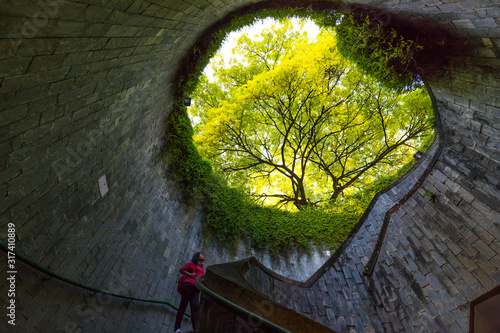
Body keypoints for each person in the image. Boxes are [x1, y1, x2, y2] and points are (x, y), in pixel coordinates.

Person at [174, 252, 205, 333]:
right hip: (188, 285)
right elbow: (181, 270)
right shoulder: (192, 264)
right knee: (183, 306)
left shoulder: (202, 268)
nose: (203, 256)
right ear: (197, 257)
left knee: (195, 308)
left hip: (196, 288)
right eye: (202, 255)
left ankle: (196, 329)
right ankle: (177, 329)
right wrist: (190, 274)